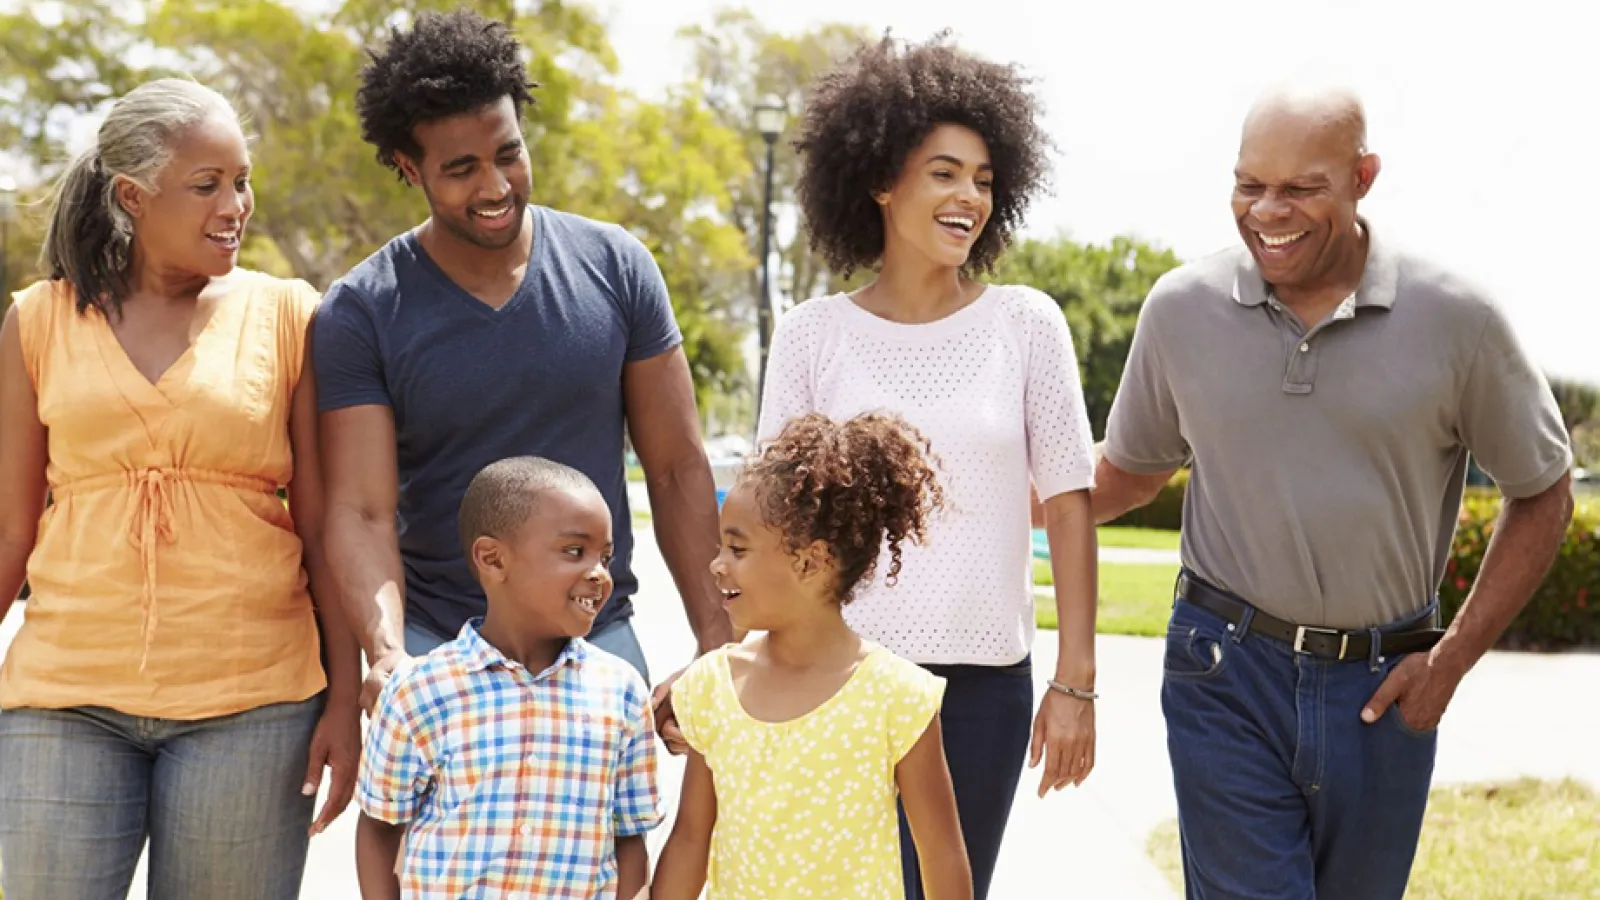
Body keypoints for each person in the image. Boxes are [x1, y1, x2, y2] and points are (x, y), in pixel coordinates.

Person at [1093, 84, 1574, 900]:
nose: (1267, 212)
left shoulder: (1459, 319)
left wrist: (1450, 660)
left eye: (1300, 189)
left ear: (1364, 177)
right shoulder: (1181, 310)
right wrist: (992, 497)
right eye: (1250, 185)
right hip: (1224, 670)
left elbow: (1545, 491)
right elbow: (1129, 471)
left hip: (1384, 689)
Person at [747, 35, 1099, 899]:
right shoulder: (812, 334)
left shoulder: (1027, 323)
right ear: (881, 180)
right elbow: (771, 518)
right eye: (944, 173)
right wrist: (744, 665)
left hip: (982, 691)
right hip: (837, 676)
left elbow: (1069, 500)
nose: (968, 197)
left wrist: (1076, 683)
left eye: (983, 179)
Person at [0, 78, 361, 899]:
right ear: (132, 195)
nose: (235, 204)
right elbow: (10, 531)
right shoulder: (38, 319)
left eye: (242, 180)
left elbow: (321, 523)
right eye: (207, 185)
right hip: (64, 694)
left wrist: (346, 702)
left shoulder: (288, 314)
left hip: (254, 702)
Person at [313, 9, 732, 711]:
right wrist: (387, 653)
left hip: (599, 648)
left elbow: (677, 467)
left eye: (507, 153)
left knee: (624, 828)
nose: (495, 186)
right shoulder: (361, 310)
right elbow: (360, 511)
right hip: (440, 653)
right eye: (461, 169)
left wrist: (716, 635)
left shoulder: (618, 267)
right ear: (408, 167)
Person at [653, 412, 970, 900]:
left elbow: (940, 852)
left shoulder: (896, 696)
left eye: (737, 550)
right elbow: (692, 837)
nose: (717, 565)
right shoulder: (713, 685)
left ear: (811, 562)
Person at [355, 456, 659, 900]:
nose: (598, 573)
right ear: (493, 559)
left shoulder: (623, 693)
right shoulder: (419, 691)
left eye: (605, 557)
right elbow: (381, 826)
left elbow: (630, 838)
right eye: (575, 552)